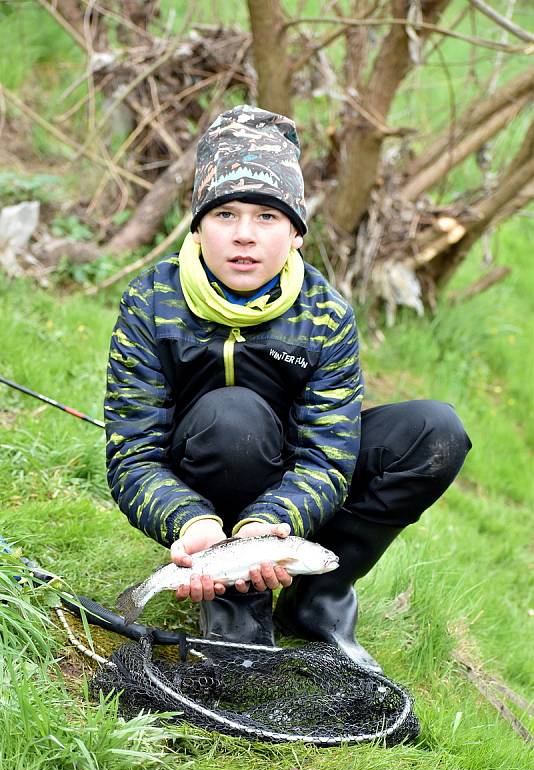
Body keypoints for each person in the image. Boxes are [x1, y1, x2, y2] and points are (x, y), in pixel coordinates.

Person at [105, 105, 471, 672]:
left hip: (289, 486)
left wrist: (271, 524)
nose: (244, 235)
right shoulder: (150, 302)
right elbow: (133, 455)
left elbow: (329, 456)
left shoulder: (325, 313)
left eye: (267, 217)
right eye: (224, 213)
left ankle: (319, 598)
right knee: (234, 415)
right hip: (204, 469)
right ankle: (234, 603)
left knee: (435, 432)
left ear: (297, 233)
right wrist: (192, 525)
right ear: (197, 226)